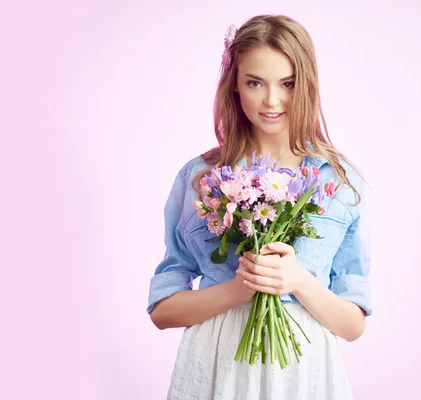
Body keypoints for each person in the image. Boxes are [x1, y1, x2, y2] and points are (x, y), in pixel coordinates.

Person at [147, 14, 372, 400]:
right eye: (255, 83)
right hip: (218, 366)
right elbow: (162, 310)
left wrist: (296, 280)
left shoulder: (338, 182)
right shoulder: (201, 178)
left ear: (307, 86)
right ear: (234, 87)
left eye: (287, 84)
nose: (272, 100)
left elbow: (352, 324)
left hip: (304, 374)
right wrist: (238, 290)